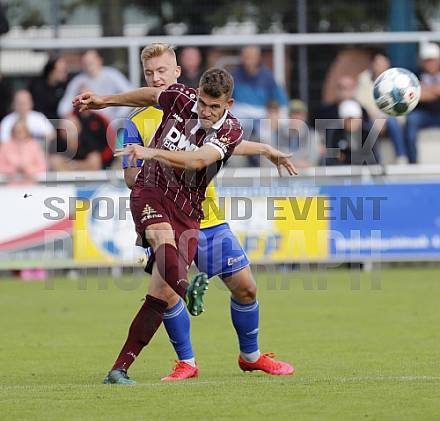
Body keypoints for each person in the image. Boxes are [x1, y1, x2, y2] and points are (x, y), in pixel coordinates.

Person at [74, 45, 295, 384]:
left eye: (162, 71)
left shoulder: (192, 103)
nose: (156, 78)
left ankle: (250, 356)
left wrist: (265, 148)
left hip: (204, 214)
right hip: (157, 201)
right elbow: (131, 174)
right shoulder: (137, 121)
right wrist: (107, 104)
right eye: (150, 73)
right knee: (167, 291)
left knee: (246, 288)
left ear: (177, 73)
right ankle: (185, 362)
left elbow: (210, 150)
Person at [232, 45, 289, 165]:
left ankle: (268, 167)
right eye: (245, 56)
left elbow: (282, 103)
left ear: (258, 58)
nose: (247, 60)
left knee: (269, 136)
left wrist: (275, 116)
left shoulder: (267, 77)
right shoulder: (234, 75)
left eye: (251, 57)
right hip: (240, 118)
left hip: (262, 118)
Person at [355, 52, 407, 163]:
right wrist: (376, 117)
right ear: (372, 64)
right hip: (371, 118)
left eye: (383, 63)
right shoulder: (363, 79)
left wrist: (383, 117)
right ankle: (375, 161)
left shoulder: (397, 80)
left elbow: (401, 104)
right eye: (378, 63)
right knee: (369, 128)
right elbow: (362, 102)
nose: (380, 67)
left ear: (388, 64)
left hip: (392, 118)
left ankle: (401, 157)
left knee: (392, 122)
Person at [58, 49, 132, 122]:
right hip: (88, 122)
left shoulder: (113, 75)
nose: (88, 64)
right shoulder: (78, 81)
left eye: (91, 61)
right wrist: (70, 116)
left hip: (112, 121)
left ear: (100, 60)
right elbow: (65, 106)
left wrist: (118, 118)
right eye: (85, 62)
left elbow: (129, 95)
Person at [404, 42, 440, 164]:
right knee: (412, 120)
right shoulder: (414, 74)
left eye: (432, 60)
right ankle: (413, 161)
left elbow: (419, 93)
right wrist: (435, 90)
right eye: (426, 60)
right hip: (423, 114)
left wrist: (424, 89)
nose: (429, 63)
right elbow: (414, 96)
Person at [325, 99, 380, 166]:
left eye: (354, 119)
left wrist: (346, 157)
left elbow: (374, 159)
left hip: (364, 171)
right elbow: (331, 159)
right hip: (341, 171)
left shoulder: (368, 133)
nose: (351, 122)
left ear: (360, 118)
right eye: (348, 119)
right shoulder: (334, 133)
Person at [29, 56, 68, 120]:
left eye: (65, 70)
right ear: (51, 72)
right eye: (61, 70)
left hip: (61, 121)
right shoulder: (37, 86)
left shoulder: (67, 85)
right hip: (41, 121)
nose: (65, 73)